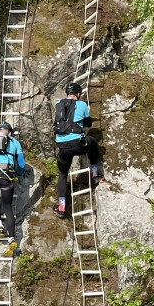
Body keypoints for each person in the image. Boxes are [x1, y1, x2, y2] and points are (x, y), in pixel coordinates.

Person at [53, 82, 104, 219]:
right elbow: (88, 123)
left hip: (62, 147)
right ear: (78, 94)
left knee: (63, 174)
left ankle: (61, 208)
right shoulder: (81, 105)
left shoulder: (58, 103)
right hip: (78, 144)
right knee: (92, 143)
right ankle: (95, 175)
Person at [0, 121, 25, 257]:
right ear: (10, 132)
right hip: (6, 174)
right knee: (7, 206)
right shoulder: (14, 142)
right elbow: (20, 163)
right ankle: (12, 238)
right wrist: (18, 173)